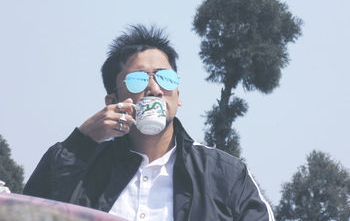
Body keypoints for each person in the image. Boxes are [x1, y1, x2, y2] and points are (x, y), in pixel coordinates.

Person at [23, 25, 275, 220]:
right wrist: (82, 139)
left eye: (165, 78)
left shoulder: (224, 175)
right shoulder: (84, 168)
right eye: (137, 81)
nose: (154, 89)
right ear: (112, 100)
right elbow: (26, 212)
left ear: (179, 96)